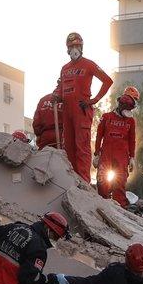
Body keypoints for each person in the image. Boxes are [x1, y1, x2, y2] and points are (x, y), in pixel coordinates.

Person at [56, 32, 113, 180]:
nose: (74, 49)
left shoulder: (89, 64)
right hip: (67, 112)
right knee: (68, 148)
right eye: (71, 46)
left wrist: (94, 100)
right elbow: (61, 88)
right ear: (67, 49)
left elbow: (108, 81)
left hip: (82, 111)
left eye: (76, 46)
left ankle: (84, 182)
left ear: (81, 47)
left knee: (82, 148)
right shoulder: (64, 68)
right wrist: (57, 95)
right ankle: (72, 181)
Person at [94, 86, 139, 207]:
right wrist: (96, 154)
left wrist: (132, 157)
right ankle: (103, 205)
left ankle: (121, 207)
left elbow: (132, 140)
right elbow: (99, 136)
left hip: (122, 156)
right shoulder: (106, 117)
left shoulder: (130, 121)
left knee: (120, 183)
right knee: (102, 182)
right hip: (106, 155)